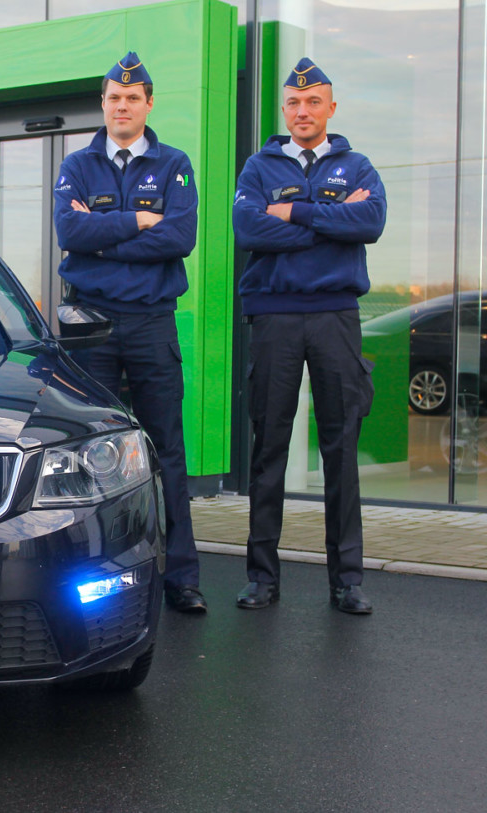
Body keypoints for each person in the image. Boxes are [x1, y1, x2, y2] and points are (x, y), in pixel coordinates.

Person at [232, 58, 386, 614]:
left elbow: (371, 223)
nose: (303, 111)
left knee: (340, 448)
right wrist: (329, 221)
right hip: (274, 317)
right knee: (269, 445)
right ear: (284, 109)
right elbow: (248, 228)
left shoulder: (357, 166)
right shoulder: (258, 167)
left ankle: (347, 581)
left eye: (313, 102)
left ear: (330, 108)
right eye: (295, 103)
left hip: (335, 317)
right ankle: (262, 577)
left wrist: (291, 212)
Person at [54, 52, 206, 613]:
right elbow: (68, 231)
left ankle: (182, 578)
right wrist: (138, 220)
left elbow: (179, 238)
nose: (123, 106)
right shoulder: (78, 164)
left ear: (148, 104)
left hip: (150, 323)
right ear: (103, 104)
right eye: (114, 98)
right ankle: (96, 580)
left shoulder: (174, 164)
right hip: (91, 328)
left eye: (132, 98)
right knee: (89, 453)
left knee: (167, 449)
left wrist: (100, 236)